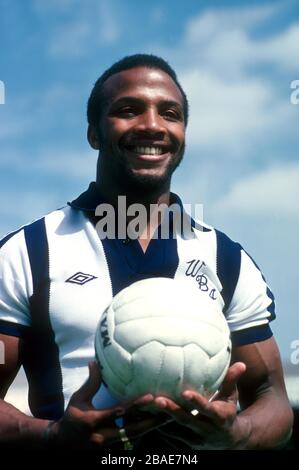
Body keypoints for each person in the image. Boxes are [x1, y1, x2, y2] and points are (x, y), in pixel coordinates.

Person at [0, 54, 293, 451]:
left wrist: (236, 434)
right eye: (128, 110)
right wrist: (53, 436)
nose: (152, 125)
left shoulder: (227, 260)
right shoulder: (27, 253)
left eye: (170, 113)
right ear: (94, 133)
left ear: (183, 133)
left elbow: (272, 397)